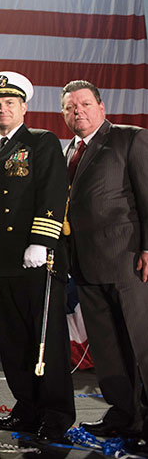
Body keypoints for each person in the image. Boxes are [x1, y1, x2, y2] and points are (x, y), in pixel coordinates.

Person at [0, 72, 74, 443]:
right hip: (3, 261)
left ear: (24, 107)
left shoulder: (41, 141)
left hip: (37, 259)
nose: (2, 109)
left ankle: (56, 413)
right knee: (14, 338)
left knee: (45, 339)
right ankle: (26, 407)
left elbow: (53, 191)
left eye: (9, 103)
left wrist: (41, 241)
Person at [60, 80, 148, 449]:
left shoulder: (130, 139)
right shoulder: (69, 151)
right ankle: (123, 414)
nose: (77, 111)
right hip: (86, 265)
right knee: (108, 348)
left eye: (83, 104)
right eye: (69, 107)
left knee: (140, 345)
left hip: (127, 261)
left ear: (101, 107)